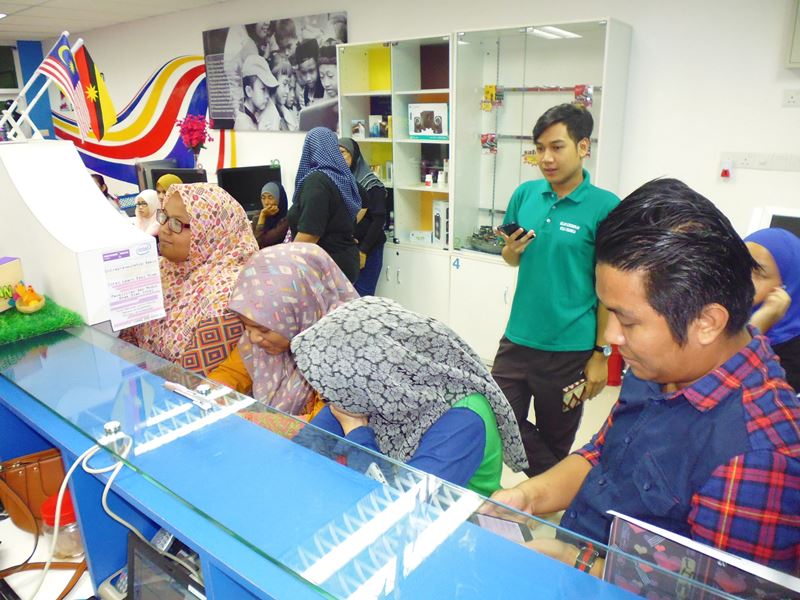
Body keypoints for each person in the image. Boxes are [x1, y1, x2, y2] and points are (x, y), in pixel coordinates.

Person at [493, 179, 800, 575]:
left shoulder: (757, 457)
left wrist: (579, 563)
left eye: (628, 321)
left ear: (706, 322)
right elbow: (603, 455)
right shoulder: (660, 363)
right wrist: (529, 496)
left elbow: (714, 590)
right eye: (609, 311)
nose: (611, 336)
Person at [491, 103, 620, 476]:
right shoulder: (525, 194)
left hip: (570, 350)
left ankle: (548, 497)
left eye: (557, 147)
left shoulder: (606, 207)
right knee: (497, 418)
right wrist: (511, 251)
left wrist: (601, 354)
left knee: (555, 439)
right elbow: (511, 258)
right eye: (539, 148)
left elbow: (609, 290)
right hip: (518, 338)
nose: (546, 158)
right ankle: (562, 490)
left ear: (583, 147)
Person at [292, 296, 528, 496]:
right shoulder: (379, 389)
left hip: (458, 521)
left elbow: (399, 508)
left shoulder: (464, 420)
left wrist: (356, 431)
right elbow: (300, 455)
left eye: (332, 387)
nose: (322, 395)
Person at [208, 243, 359, 417]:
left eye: (263, 330)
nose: (253, 338)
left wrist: (245, 418)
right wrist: (206, 395)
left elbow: (324, 425)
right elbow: (232, 373)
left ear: (302, 313)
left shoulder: (343, 355)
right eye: (247, 327)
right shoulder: (265, 335)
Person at [123, 183, 258, 376]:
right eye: (164, 217)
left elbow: (189, 380)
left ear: (212, 232)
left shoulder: (232, 294)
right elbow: (124, 336)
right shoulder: (164, 268)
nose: (164, 229)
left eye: (177, 223)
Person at [287, 127, 361, 283]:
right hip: (344, 261)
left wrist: (286, 263)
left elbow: (310, 234)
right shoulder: (341, 177)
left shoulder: (317, 181)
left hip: (324, 267)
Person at [744, 228, 800, 391]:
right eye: (741, 267)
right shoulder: (720, 315)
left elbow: (744, 396)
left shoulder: (795, 352)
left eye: (758, 273)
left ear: (788, 285)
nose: (744, 279)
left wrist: (756, 327)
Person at [338, 137, 387, 296]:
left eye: (343, 152)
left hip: (369, 248)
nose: (339, 157)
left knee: (363, 295)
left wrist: (364, 251)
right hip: (348, 247)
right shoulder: (340, 181)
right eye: (336, 153)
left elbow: (378, 220)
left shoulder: (371, 184)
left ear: (354, 155)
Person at [234, 54, 281, 131]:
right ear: (249, 91)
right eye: (263, 89)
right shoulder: (243, 123)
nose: (267, 95)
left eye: (268, 90)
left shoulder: (256, 114)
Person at [253, 181, 289, 248]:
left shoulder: (286, 220)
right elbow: (253, 243)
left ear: (279, 199)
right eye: (263, 198)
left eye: (270, 198)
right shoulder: (258, 215)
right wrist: (262, 216)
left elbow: (260, 241)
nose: (266, 202)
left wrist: (262, 216)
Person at [268, 54, 299, 131]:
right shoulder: (268, 117)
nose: (287, 91)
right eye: (284, 84)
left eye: (288, 85)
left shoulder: (282, 111)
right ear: (273, 81)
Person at [294, 38, 324, 107]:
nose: (308, 78)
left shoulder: (325, 89)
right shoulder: (305, 93)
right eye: (304, 73)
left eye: (311, 71)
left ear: (318, 66)